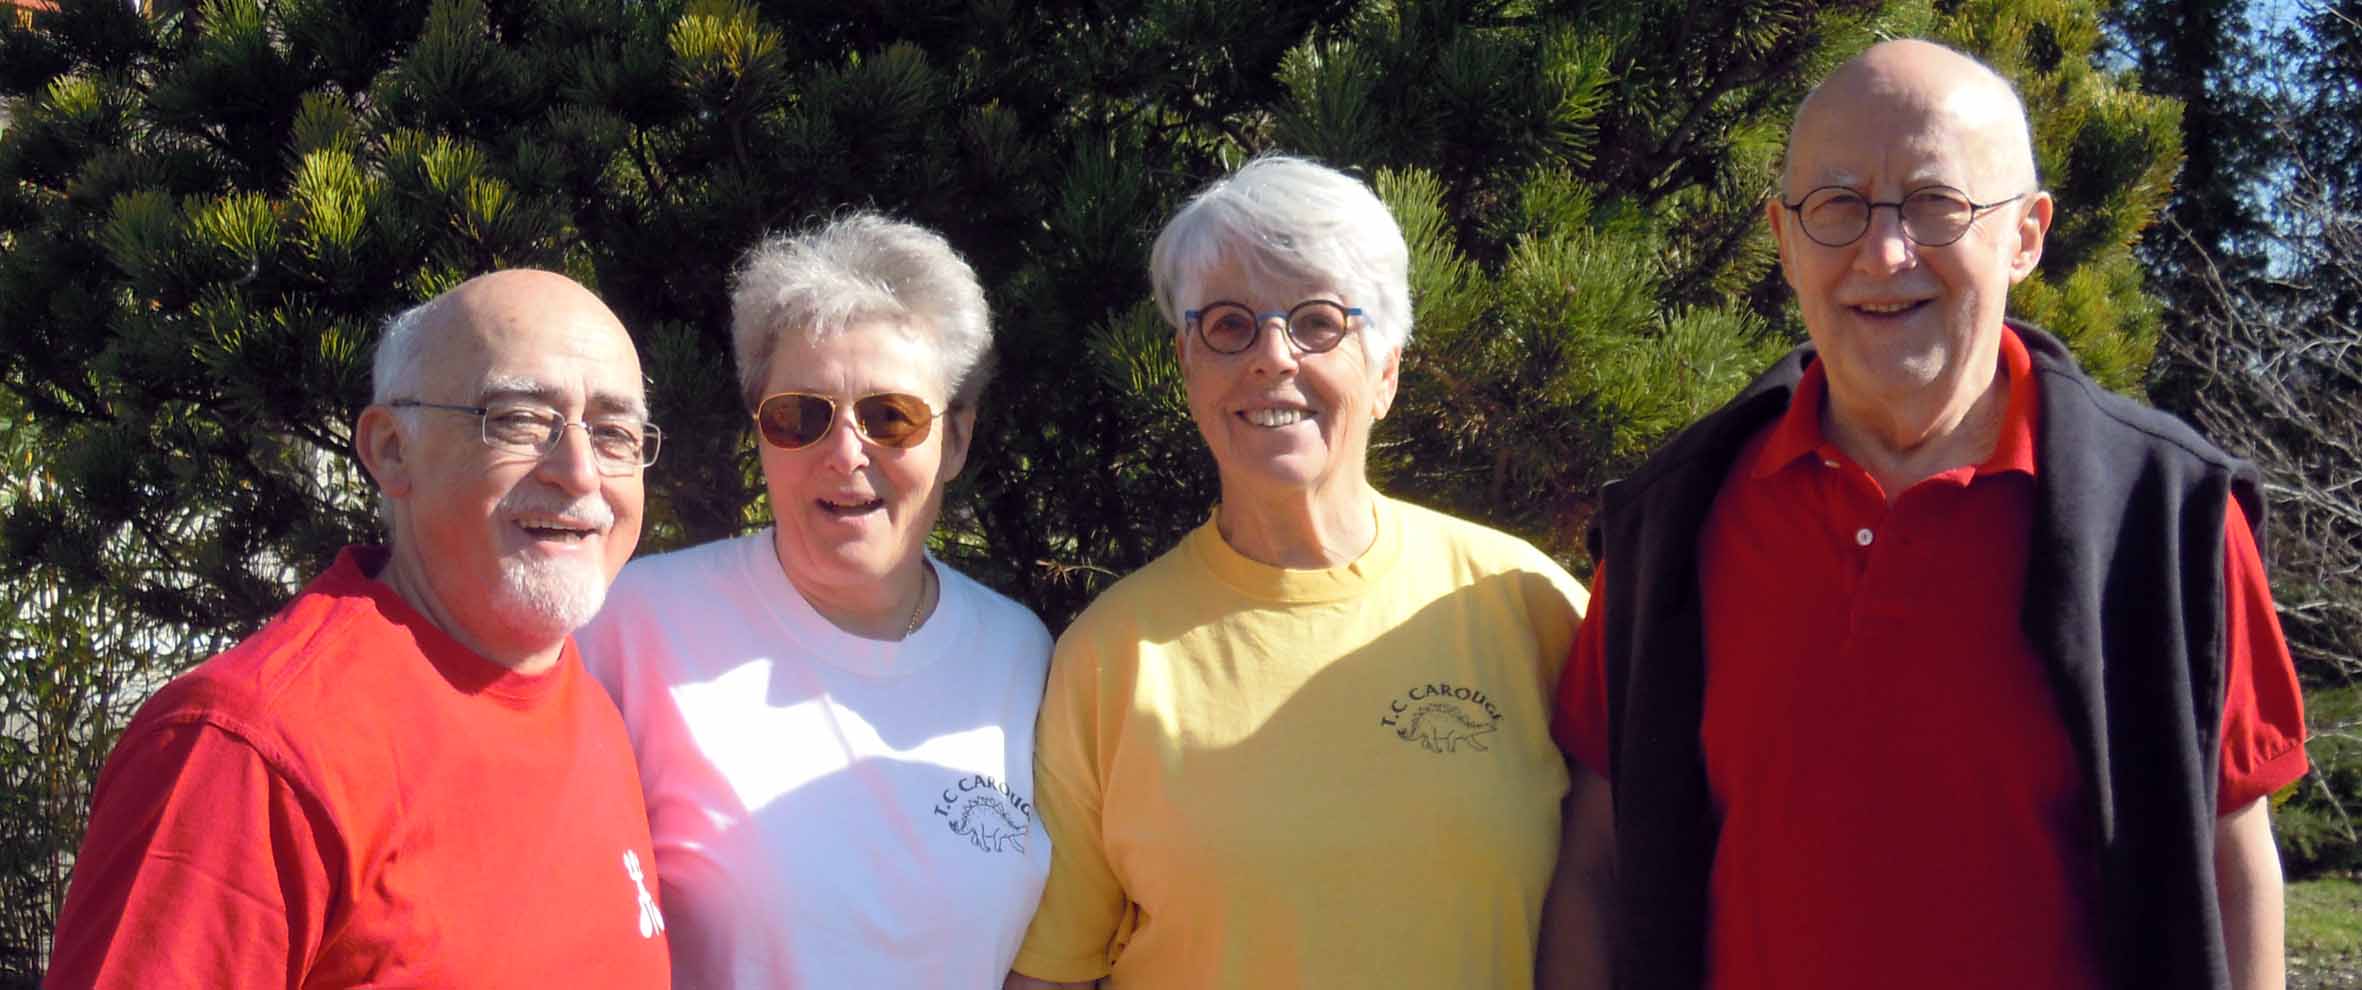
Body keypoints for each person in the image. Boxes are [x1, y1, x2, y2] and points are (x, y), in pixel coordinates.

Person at [1542, 39, 2309, 990]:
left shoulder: (2167, 518)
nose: (1884, 252)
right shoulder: (1674, 524)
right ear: (1784, 239)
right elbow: (1598, 870)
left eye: (1936, 204)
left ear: (2026, 235)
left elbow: (2234, 868)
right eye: (1839, 207)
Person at [1007, 155, 1589, 990]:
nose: (1271, 357)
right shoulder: (1112, 654)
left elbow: (1639, 895)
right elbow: (1053, 973)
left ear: (1387, 371)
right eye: (1229, 325)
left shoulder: (1523, 603)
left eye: (1318, 322)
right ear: (1188, 366)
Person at [46, 270, 673, 988]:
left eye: (616, 433)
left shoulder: (588, 708)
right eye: (521, 419)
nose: (580, 471)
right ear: (390, 450)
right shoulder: (249, 751)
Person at [575, 212, 1052, 989]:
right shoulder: (633, 625)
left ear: (956, 441)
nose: (844, 453)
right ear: (761, 433)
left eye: (890, 417)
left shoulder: (1020, 654)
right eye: (801, 417)